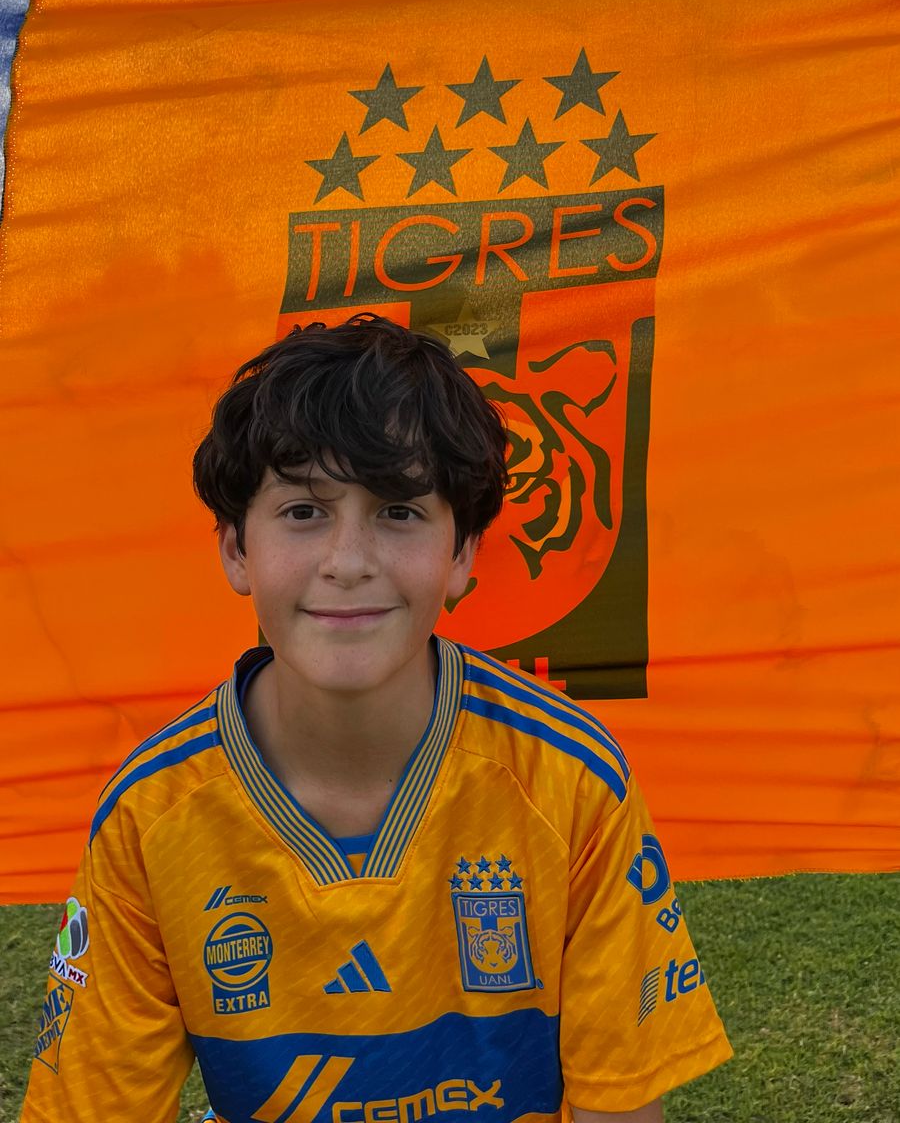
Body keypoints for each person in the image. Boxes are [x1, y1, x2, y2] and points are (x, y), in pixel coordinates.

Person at [22, 313, 732, 1122]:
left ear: (462, 553)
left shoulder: (569, 782)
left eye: (398, 511)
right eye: (303, 511)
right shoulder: (151, 817)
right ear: (236, 549)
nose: (349, 562)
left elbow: (620, 1105)